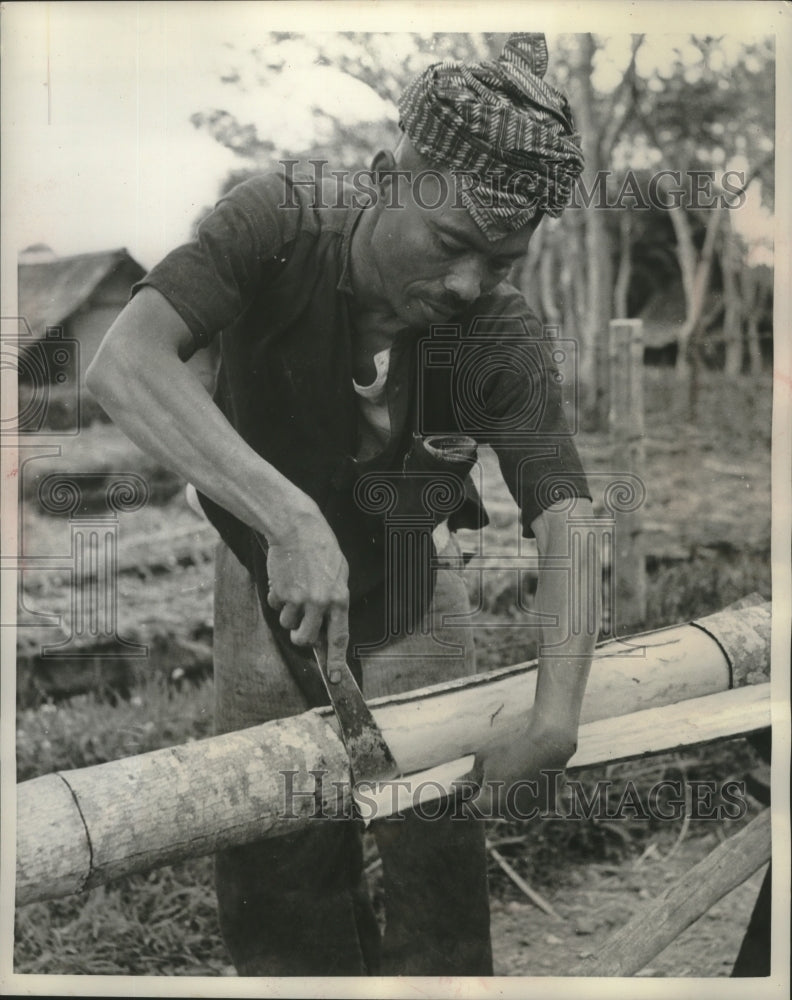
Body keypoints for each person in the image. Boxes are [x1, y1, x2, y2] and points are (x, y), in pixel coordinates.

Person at [87, 32, 599, 977]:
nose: (464, 285)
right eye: (452, 246)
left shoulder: (498, 330)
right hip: (261, 571)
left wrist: (556, 716)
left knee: (432, 837)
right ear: (388, 179)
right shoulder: (275, 222)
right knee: (273, 828)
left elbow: (566, 514)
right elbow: (124, 362)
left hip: (412, 576)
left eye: (499, 262)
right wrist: (286, 520)